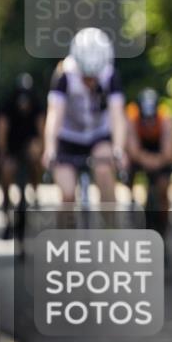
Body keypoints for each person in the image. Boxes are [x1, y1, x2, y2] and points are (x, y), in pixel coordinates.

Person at [42, 28, 127, 209]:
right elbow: (54, 115)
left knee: (104, 170)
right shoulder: (64, 74)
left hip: (98, 134)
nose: (90, 81)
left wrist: (119, 148)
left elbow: (117, 116)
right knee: (67, 195)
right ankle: (64, 235)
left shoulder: (110, 75)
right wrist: (50, 148)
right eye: (86, 77)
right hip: (68, 136)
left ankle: (111, 229)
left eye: (94, 77)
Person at [0, 73, 45, 239]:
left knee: (35, 157)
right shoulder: (8, 105)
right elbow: (2, 126)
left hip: (29, 147)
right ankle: (6, 209)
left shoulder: (36, 104)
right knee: (7, 171)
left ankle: (35, 191)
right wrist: (3, 153)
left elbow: (41, 128)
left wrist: (42, 150)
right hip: (11, 148)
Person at [126, 88, 172, 238]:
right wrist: (144, 159)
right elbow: (132, 148)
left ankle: (164, 222)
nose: (148, 123)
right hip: (140, 151)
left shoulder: (165, 117)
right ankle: (131, 200)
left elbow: (169, 151)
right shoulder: (131, 115)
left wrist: (158, 161)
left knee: (163, 187)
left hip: (159, 151)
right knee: (127, 170)